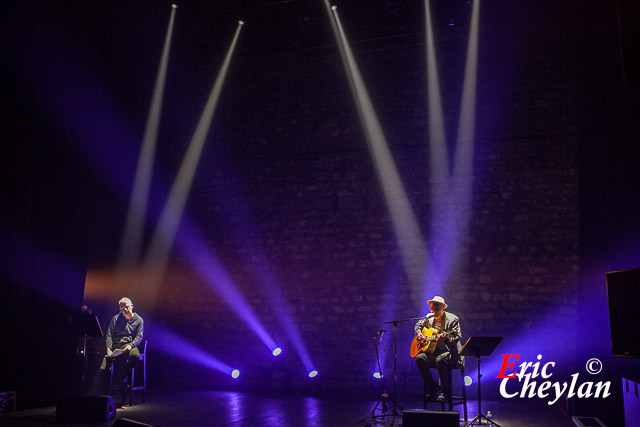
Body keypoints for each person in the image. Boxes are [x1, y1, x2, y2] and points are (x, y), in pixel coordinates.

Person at [414, 295, 463, 403]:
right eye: (432, 308)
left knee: (440, 361)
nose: (434, 310)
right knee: (420, 358)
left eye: (437, 308)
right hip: (434, 351)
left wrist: (446, 338)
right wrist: (419, 334)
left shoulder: (453, 319)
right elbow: (418, 326)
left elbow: (456, 337)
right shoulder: (428, 317)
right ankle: (433, 385)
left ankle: (445, 393)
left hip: (450, 352)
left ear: (443, 308)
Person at [95, 297, 144, 395]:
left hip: (129, 344)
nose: (125, 310)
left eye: (126, 307)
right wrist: (108, 349)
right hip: (116, 344)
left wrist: (131, 345)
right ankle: (100, 394)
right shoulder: (116, 318)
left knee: (135, 355)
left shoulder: (139, 320)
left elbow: (139, 336)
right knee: (104, 366)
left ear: (132, 306)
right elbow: (109, 335)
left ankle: (121, 378)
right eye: (122, 308)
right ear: (119, 309)